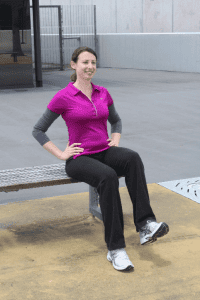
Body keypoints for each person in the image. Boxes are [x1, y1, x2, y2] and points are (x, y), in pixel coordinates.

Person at [32, 46, 169, 272]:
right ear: (73, 65)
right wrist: (61, 153)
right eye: (85, 62)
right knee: (108, 176)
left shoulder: (103, 93)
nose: (90, 67)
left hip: (103, 151)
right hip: (79, 159)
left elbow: (115, 120)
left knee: (132, 158)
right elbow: (38, 130)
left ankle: (145, 225)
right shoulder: (63, 96)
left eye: (93, 62)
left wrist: (115, 138)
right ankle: (115, 249)